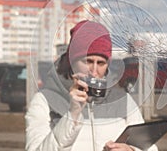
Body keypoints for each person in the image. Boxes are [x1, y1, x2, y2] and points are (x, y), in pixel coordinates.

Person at [25, 20, 158, 151]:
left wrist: (131, 150)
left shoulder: (123, 100)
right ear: (71, 61)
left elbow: (149, 147)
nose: (94, 71)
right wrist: (72, 115)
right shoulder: (44, 101)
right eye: (87, 61)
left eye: (101, 63)